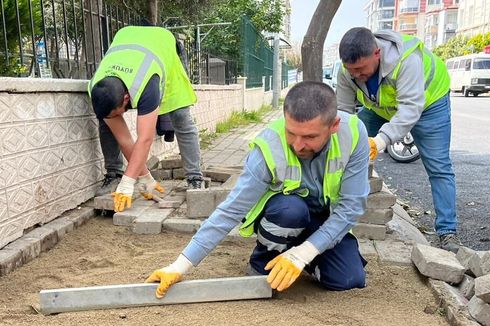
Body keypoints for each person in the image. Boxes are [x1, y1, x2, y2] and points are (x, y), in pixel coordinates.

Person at [146, 81, 370, 298]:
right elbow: (230, 211)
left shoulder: (352, 134)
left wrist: (303, 254)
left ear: (334, 126)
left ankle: (299, 255)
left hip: (322, 219)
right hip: (286, 215)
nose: (298, 145)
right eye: (291, 133)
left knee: (348, 279)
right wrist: (179, 266)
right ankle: (265, 260)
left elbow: (350, 208)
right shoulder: (268, 147)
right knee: (290, 210)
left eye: (310, 137)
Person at [336, 27, 460, 252]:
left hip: (429, 105)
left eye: (361, 69)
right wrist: (345, 142)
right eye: (350, 69)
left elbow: (410, 109)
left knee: (438, 166)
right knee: (343, 144)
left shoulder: (406, 60)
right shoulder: (347, 72)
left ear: (377, 53)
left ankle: (447, 232)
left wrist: (380, 141)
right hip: (381, 108)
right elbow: (344, 115)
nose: (356, 75)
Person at [88, 25, 204, 212]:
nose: (119, 118)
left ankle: (195, 178)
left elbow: (145, 139)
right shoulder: (97, 88)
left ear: (126, 98)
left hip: (162, 48)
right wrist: (144, 177)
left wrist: (128, 184)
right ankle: (114, 174)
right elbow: (125, 139)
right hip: (127, 38)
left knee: (181, 117)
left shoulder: (146, 83)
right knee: (106, 124)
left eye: (119, 113)